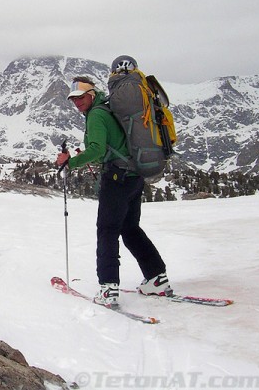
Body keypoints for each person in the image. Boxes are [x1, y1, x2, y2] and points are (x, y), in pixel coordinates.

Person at [56, 66, 172, 308]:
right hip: (133, 176)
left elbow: (97, 149)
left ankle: (108, 288)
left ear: (91, 94)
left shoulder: (97, 115)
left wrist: (71, 162)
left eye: (80, 97)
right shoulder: (107, 109)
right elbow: (107, 148)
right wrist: (90, 156)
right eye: (73, 99)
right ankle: (156, 277)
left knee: (107, 230)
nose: (77, 103)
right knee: (130, 228)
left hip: (117, 179)